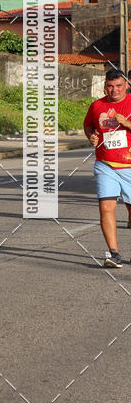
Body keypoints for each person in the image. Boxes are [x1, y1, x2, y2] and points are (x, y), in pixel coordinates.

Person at [84, 67, 131, 267]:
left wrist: (127, 124)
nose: (114, 90)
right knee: (106, 207)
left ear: (127, 85)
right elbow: (88, 125)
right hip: (105, 165)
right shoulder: (96, 106)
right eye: (110, 86)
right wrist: (91, 136)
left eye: (119, 86)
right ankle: (114, 254)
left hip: (130, 165)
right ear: (105, 87)